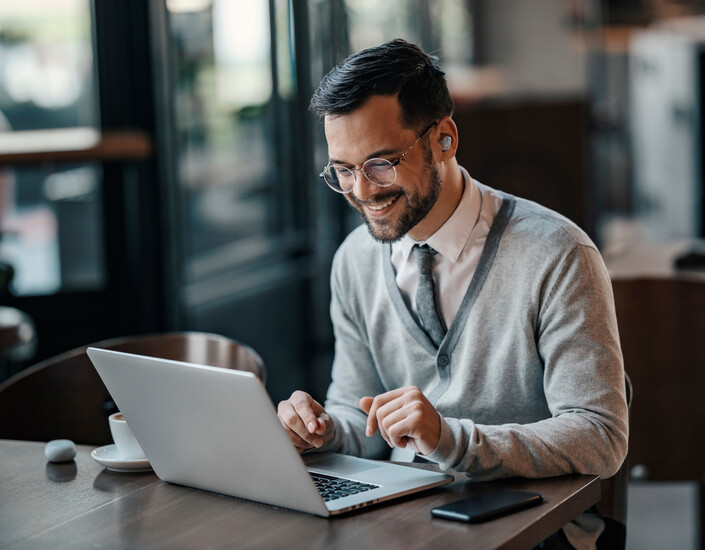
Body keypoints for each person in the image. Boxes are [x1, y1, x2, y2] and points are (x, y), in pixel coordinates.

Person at [277, 39, 628, 549]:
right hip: (400, 522)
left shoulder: (558, 253)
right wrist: (322, 430)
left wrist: (450, 439)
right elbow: (359, 414)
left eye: (380, 163)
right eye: (344, 171)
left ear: (443, 138)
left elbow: (600, 436)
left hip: (530, 527)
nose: (362, 191)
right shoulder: (354, 259)